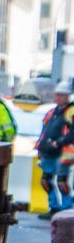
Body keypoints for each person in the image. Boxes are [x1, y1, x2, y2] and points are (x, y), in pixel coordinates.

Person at [36, 81, 74, 219]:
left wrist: (59, 142)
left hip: (63, 152)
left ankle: (66, 209)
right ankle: (54, 207)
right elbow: (44, 131)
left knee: (61, 181)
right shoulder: (52, 112)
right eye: (57, 95)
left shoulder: (71, 111)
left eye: (61, 95)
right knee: (45, 181)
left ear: (67, 96)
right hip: (49, 152)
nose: (58, 97)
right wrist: (40, 147)